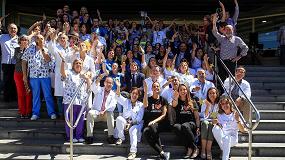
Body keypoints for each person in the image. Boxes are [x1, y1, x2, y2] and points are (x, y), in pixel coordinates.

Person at [22, 34, 57, 120]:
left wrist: (42, 49)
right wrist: (24, 75)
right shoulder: (29, 49)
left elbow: (48, 59)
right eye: (38, 38)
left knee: (48, 95)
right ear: (35, 39)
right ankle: (35, 113)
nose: (40, 40)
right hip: (33, 76)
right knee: (36, 95)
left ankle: (51, 112)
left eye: (41, 38)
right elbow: (23, 61)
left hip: (45, 76)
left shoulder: (47, 49)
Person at [61, 58, 92, 143]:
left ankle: (79, 136)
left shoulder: (84, 74)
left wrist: (87, 79)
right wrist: (63, 62)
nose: (78, 65)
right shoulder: (69, 72)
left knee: (80, 120)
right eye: (76, 63)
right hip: (70, 101)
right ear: (73, 65)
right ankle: (70, 136)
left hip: (81, 101)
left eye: (80, 63)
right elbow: (63, 74)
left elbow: (90, 87)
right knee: (71, 119)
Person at [212, 14, 248, 82]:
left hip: (232, 62)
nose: (228, 31)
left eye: (230, 29)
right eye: (226, 29)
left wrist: (239, 56)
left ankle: (231, 92)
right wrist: (214, 23)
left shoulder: (237, 39)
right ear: (224, 31)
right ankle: (223, 92)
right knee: (222, 78)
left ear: (233, 30)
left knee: (231, 79)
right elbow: (215, 32)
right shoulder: (222, 38)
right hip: (222, 62)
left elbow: (245, 48)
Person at [114, 79, 144, 160]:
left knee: (132, 130)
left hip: (136, 124)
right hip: (125, 122)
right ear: (130, 94)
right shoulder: (126, 101)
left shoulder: (141, 105)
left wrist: (130, 124)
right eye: (133, 93)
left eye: (136, 94)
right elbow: (117, 96)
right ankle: (121, 137)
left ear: (138, 96)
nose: (134, 95)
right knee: (119, 118)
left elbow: (139, 119)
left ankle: (133, 152)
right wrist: (118, 86)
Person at [171, 84, 200, 159]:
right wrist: (175, 97)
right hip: (180, 123)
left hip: (191, 123)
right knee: (176, 127)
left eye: (184, 89)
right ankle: (190, 148)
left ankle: (195, 148)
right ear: (178, 91)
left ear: (187, 91)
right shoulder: (177, 100)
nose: (183, 91)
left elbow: (197, 117)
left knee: (185, 126)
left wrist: (198, 127)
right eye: (180, 90)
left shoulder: (192, 101)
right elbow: (174, 105)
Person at [143, 81, 170, 160]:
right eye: (154, 87)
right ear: (151, 89)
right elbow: (145, 105)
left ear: (160, 88)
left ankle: (162, 154)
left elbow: (164, 115)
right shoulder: (148, 99)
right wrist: (145, 92)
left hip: (160, 123)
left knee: (152, 127)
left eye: (157, 86)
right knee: (146, 132)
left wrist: (154, 121)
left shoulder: (163, 100)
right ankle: (162, 153)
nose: (156, 88)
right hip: (150, 124)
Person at [212, 96, 246, 160]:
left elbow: (243, 130)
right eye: (222, 104)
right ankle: (224, 148)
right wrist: (214, 122)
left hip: (233, 138)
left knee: (226, 138)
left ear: (230, 104)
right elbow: (212, 119)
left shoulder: (236, 113)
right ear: (221, 106)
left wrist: (237, 120)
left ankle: (224, 157)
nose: (225, 105)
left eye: (226, 103)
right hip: (222, 138)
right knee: (215, 128)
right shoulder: (219, 114)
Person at [85, 76, 117, 144]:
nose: (109, 84)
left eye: (111, 83)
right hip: (97, 114)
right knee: (90, 112)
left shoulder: (113, 94)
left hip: (106, 115)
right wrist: (98, 79)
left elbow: (113, 105)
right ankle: (89, 136)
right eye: (107, 82)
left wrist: (104, 111)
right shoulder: (99, 90)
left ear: (112, 85)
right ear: (104, 83)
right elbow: (93, 88)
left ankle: (110, 136)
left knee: (110, 113)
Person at [13, 35, 32, 118]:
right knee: (21, 93)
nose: (24, 41)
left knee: (28, 93)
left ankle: (28, 112)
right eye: (22, 40)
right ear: (20, 41)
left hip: (29, 74)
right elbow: (17, 59)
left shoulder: (31, 50)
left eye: (26, 40)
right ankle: (22, 112)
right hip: (18, 74)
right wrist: (21, 49)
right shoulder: (17, 49)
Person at [0, 23, 18, 102]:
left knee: (15, 81)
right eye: (11, 28)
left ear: (17, 30)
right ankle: (6, 98)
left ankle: (14, 98)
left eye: (14, 28)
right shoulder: (2, 37)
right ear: (8, 29)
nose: (13, 30)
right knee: (6, 81)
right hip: (6, 63)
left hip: (16, 64)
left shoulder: (20, 39)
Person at [200, 87, 220, 160]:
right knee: (205, 123)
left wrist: (212, 116)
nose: (212, 95)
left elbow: (215, 116)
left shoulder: (218, 104)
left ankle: (208, 150)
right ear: (208, 95)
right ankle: (203, 149)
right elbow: (205, 116)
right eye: (210, 93)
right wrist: (208, 106)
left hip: (213, 122)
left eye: (213, 93)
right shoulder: (204, 102)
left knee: (211, 124)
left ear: (216, 94)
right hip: (205, 121)